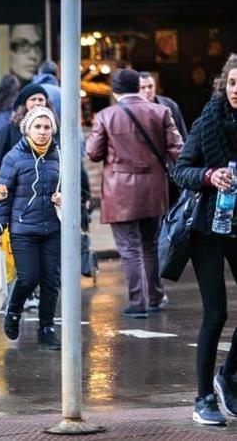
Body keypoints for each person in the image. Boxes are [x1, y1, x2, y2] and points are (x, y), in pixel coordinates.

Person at [172, 54, 237, 426]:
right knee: (217, 313)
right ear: (223, 85)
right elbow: (181, 169)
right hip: (209, 228)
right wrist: (210, 176)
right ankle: (203, 398)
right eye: (231, 83)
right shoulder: (208, 121)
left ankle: (227, 377)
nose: (236, 91)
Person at [86, 69, 183, 319]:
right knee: (150, 245)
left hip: (120, 192)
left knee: (129, 248)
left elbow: (94, 153)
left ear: (114, 89)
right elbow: (177, 149)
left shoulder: (106, 116)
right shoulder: (161, 111)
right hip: (154, 188)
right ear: (138, 87)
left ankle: (137, 301)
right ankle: (154, 296)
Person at [0, 106, 62, 350]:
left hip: (53, 227)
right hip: (23, 228)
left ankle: (47, 328)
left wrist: (67, 199)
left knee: (51, 280)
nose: (42, 132)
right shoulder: (14, 157)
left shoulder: (60, 155)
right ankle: (13, 311)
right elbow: (3, 193)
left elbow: (78, 188)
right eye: (37, 127)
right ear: (27, 129)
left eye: (47, 127)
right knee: (29, 277)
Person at [0, 82, 54, 181]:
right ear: (25, 103)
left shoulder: (53, 128)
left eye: (41, 99)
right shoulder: (10, 130)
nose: (37, 103)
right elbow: (0, 160)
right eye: (33, 99)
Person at [139, 72, 188, 140]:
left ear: (155, 86)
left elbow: (181, 132)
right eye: (142, 88)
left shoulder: (170, 105)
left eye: (150, 86)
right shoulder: (132, 109)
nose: (147, 90)